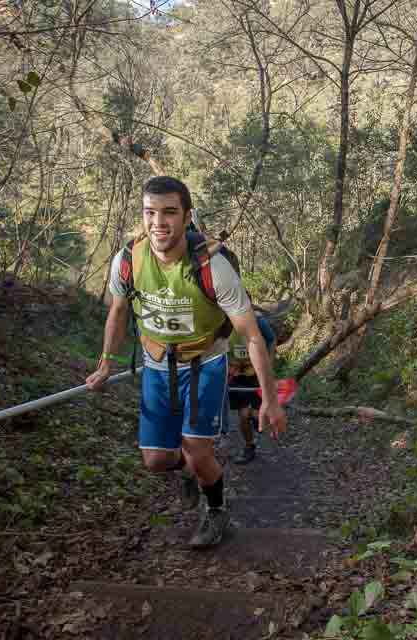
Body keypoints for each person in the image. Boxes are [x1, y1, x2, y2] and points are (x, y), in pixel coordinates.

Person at [86, 175, 287, 548]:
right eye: (150, 212)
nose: (159, 222)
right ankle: (189, 470)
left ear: (187, 216)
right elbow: (117, 312)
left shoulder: (213, 266)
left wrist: (270, 399)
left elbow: (253, 334)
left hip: (205, 366)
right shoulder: (128, 259)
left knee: (198, 453)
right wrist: (105, 363)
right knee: (155, 460)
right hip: (157, 365)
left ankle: (216, 511)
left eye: (169, 212)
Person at [227, 314, 277, 464]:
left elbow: (272, 339)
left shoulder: (259, 321)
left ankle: (257, 421)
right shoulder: (224, 321)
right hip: (236, 376)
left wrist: (269, 365)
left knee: (254, 414)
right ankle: (249, 447)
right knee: (243, 415)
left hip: (256, 373)